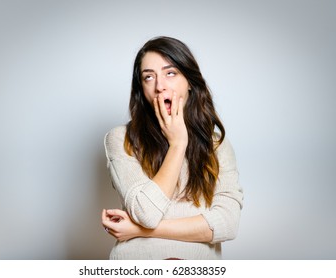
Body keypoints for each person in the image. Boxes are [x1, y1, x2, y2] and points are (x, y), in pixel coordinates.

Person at [101, 36, 243, 260]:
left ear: (190, 82)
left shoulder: (216, 145)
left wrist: (138, 231)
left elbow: (227, 224)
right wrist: (178, 144)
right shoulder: (121, 139)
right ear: (142, 89)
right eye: (149, 77)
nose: (160, 86)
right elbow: (146, 213)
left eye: (170, 73)